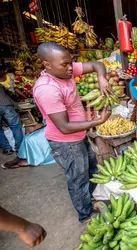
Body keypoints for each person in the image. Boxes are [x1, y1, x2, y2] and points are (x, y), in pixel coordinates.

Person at [33, 42, 112, 223]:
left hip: (80, 135)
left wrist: (101, 77)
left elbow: (97, 65)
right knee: (78, 178)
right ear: (47, 64)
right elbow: (64, 127)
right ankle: (85, 215)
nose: (71, 68)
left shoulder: (64, 71)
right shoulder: (47, 89)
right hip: (65, 142)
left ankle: (90, 199)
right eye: (65, 64)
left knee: (92, 169)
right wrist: (97, 121)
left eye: (71, 63)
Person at [0, 72, 24, 155]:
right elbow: (10, 93)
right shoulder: (1, 85)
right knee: (15, 126)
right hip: (6, 105)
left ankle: (7, 149)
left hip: (4, 105)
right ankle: (20, 148)